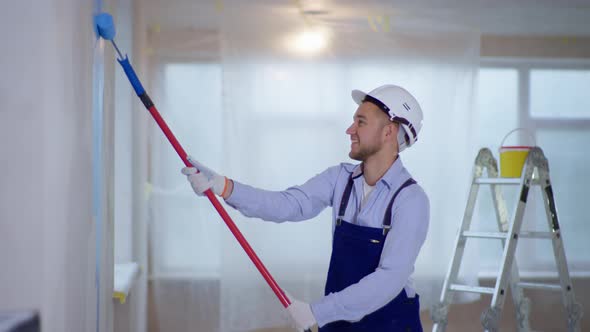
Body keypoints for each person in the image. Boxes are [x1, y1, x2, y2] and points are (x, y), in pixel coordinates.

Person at [181, 84, 430, 331]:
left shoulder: (411, 201)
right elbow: (287, 204)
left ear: (388, 132)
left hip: (389, 323)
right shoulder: (339, 179)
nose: (349, 129)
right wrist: (224, 186)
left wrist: (317, 312)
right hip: (340, 322)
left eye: (361, 122)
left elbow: (389, 279)